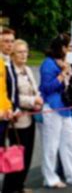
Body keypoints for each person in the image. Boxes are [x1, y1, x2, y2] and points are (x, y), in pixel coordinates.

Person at [39, 34, 72, 188]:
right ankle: (50, 178)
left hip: (64, 107)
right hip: (52, 107)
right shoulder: (48, 64)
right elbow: (46, 88)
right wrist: (62, 74)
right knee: (51, 144)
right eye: (68, 46)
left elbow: (70, 85)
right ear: (61, 48)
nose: (70, 49)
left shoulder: (64, 63)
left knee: (70, 141)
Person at [2, 40, 42, 193]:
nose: (24, 55)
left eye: (25, 51)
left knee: (27, 155)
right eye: (20, 52)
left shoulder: (27, 70)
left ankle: (20, 186)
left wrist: (37, 99)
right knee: (15, 156)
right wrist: (33, 101)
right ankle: (9, 188)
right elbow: (14, 97)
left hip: (30, 118)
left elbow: (34, 89)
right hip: (17, 121)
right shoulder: (10, 72)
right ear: (12, 54)